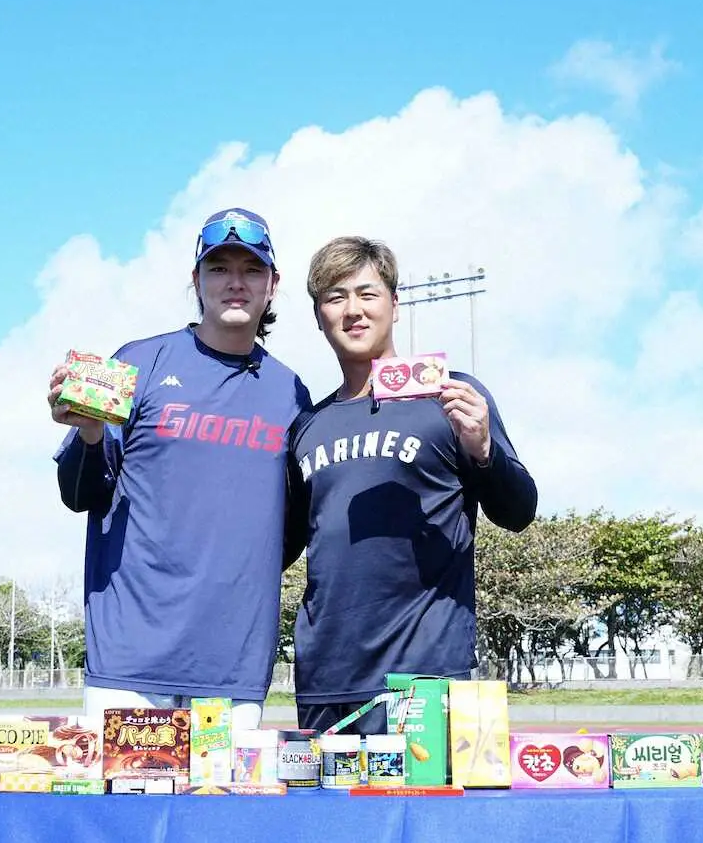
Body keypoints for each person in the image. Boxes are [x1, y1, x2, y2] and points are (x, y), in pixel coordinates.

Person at [49, 208, 312, 731]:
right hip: (130, 660)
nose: (235, 282)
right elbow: (80, 495)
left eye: (251, 270)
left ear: (272, 285)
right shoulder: (138, 363)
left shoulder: (290, 392)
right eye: (219, 269)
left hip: (232, 667)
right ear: (195, 279)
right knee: (125, 791)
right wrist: (90, 434)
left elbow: (293, 528)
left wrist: (234, 573)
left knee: (225, 791)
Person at [286, 236, 538, 735]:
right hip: (326, 677)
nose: (353, 310)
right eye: (335, 297)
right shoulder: (306, 426)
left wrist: (484, 450)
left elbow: (518, 511)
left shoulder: (451, 398)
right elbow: (282, 545)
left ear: (395, 306)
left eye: (367, 294)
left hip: (426, 674)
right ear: (318, 316)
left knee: (430, 791)